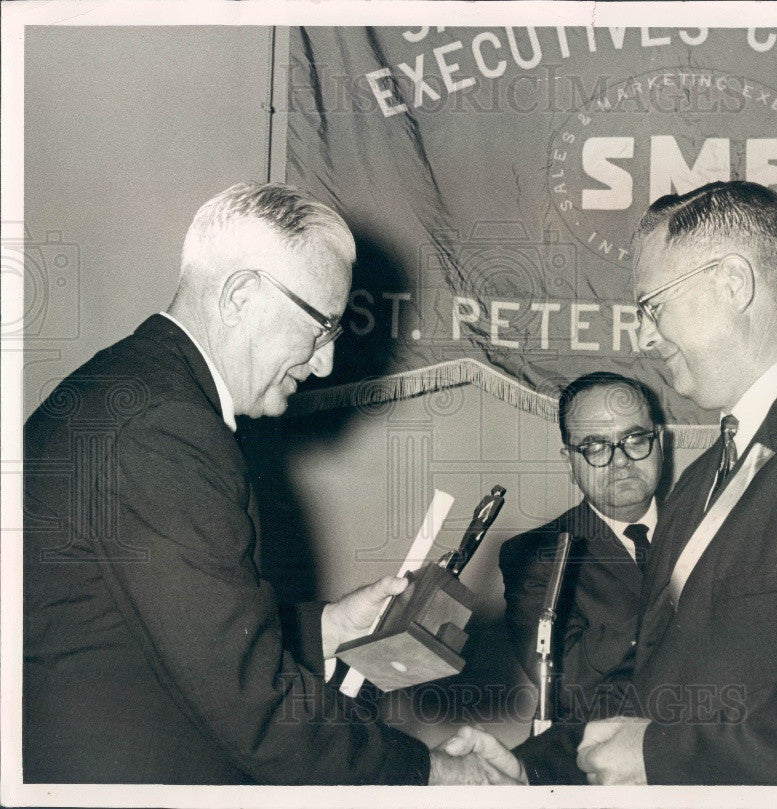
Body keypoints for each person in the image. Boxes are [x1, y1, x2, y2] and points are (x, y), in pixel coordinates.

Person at [444, 180, 777, 785]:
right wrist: (528, 769)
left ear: (733, 283)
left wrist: (660, 758)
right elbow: (654, 691)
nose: (641, 336)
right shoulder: (700, 482)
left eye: (653, 307)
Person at [22, 182, 514, 785]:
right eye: (322, 327)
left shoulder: (132, 390)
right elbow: (255, 709)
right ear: (242, 294)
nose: (326, 363)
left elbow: (173, 638)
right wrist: (435, 770)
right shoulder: (165, 431)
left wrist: (331, 626)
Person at [498, 372, 667, 720]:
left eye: (635, 438)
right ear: (570, 462)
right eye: (595, 446)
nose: (620, 460)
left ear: (660, 442)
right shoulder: (535, 554)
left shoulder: (710, 525)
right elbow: (565, 681)